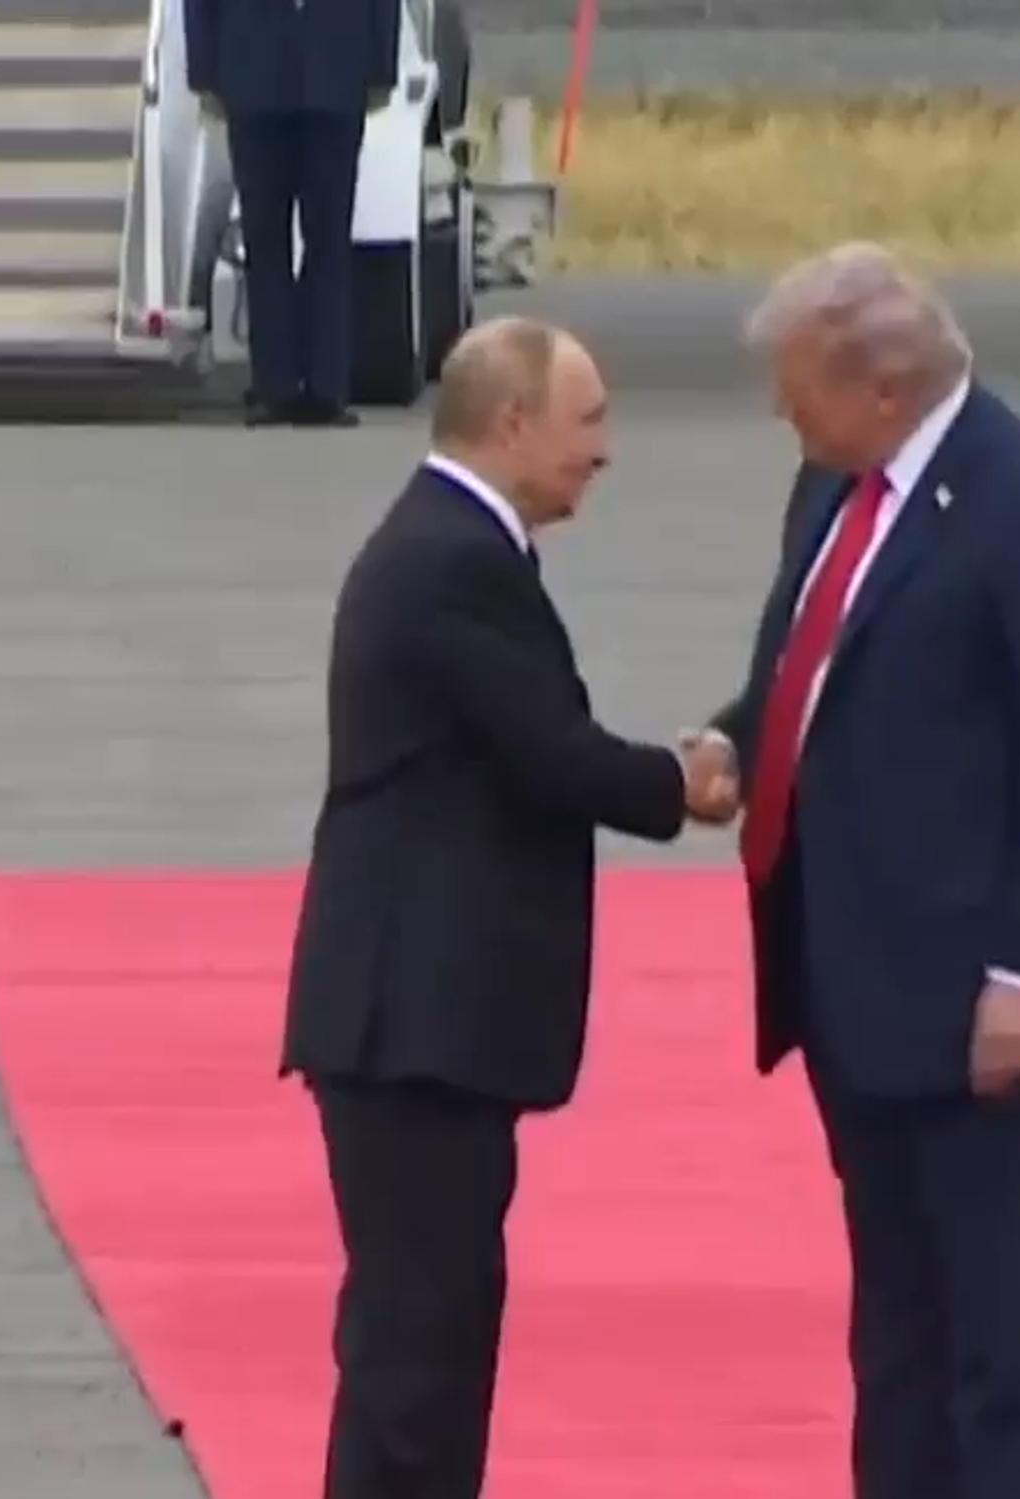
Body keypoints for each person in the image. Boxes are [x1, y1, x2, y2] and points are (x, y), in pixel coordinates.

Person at [681, 243, 1020, 1499]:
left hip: (975, 997)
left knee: (995, 1330)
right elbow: (809, 663)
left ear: (880, 389)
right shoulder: (835, 482)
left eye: (798, 392)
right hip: (851, 977)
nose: (782, 414)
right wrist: (731, 741)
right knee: (896, 1324)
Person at [282, 316, 738, 1499]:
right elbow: (547, 752)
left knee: (426, 1329)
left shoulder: (456, 545)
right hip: (412, 1019)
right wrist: (677, 783)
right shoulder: (451, 559)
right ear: (512, 421)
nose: (605, 450)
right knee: (415, 1344)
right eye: (588, 421)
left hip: (423, 1018)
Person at [184, 0, 399, 427]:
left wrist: (382, 66)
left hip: (336, 73)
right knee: (265, 241)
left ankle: (327, 387)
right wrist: (204, 70)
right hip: (253, 73)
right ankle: (275, 386)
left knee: (329, 239)